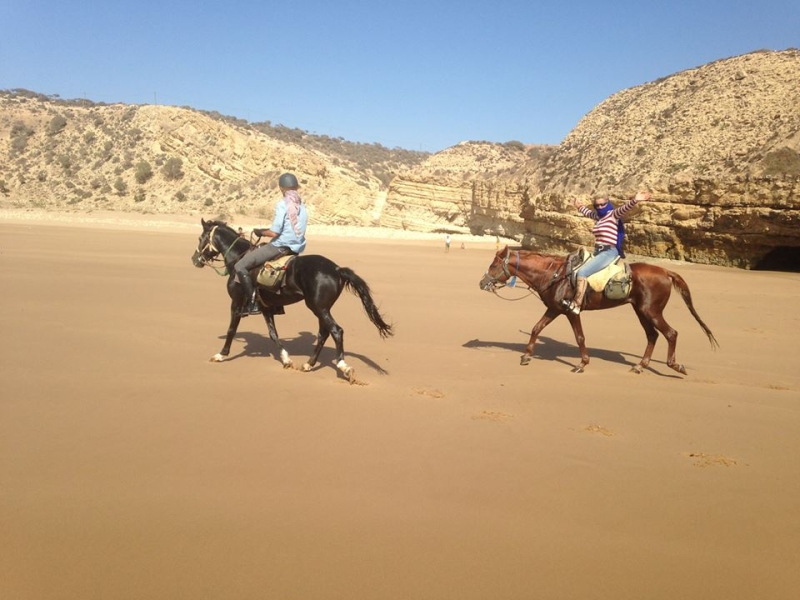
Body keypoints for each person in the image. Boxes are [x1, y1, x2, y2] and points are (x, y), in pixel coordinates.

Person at [563, 191, 650, 315]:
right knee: (575, 268)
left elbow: (624, 208)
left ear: (607, 203)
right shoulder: (599, 217)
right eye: (597, 205)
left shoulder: (613, 215)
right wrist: (579, 207)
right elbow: (588, 213)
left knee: (582, 272)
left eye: (602, 204)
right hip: (598, 251)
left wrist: (636, 200)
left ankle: (577, 304)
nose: (599, 207)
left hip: (609, 252)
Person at [234, 172, 308, 316]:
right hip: (296, 248)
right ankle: (276, 304)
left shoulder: (282, 204)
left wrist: (261, 232)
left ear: (282, 188)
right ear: (296, 188)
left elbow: (274, 233)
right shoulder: (302, 206)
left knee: (240, 266)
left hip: (280, 246)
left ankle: (253, 303)